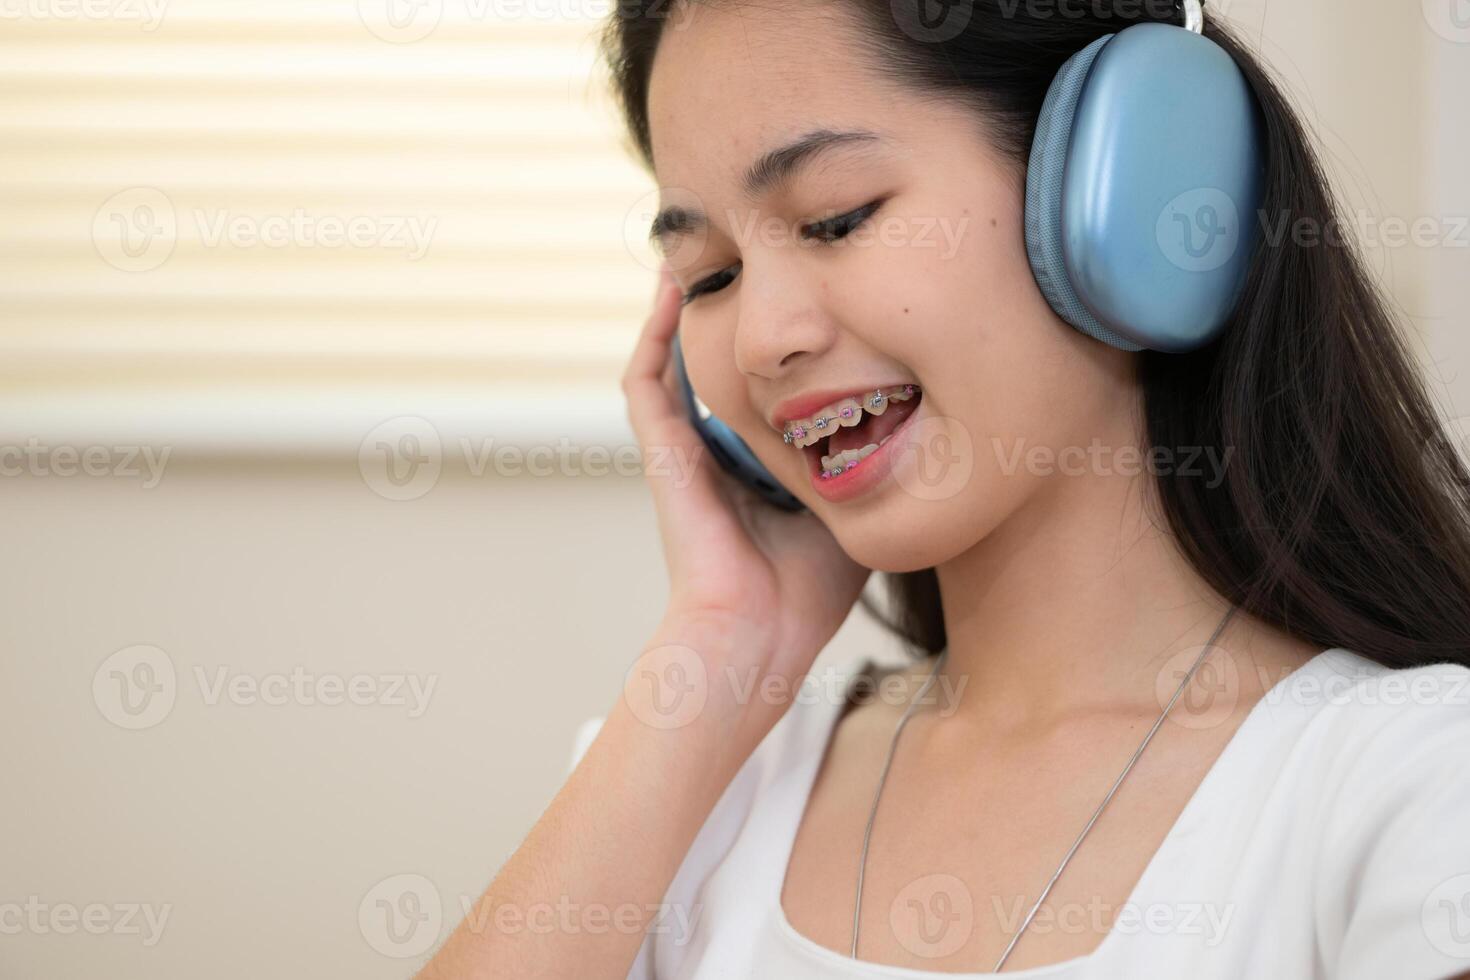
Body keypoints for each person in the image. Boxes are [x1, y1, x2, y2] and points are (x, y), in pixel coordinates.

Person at [415, 1, 1470, 976]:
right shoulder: (695, 783)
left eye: (836, 217)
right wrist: (722, 639)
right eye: (710, 276)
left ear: (1128, 185)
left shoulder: (1408, 784)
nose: (766, 337)